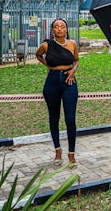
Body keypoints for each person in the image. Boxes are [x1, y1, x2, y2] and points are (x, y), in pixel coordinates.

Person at [36, 18, 80, 169]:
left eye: (62, 26)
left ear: (66, 29)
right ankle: (58, 150)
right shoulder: (46, 45)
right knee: (54, 117)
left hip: (69, 82)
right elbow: (38, 55)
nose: (60, 29)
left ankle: (71, 154)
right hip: (52, 82)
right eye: (56, 27)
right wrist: (48, 65)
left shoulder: (72, 44)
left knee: (70, 119)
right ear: (52, 30)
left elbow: (76, 61)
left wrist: (73, 70)